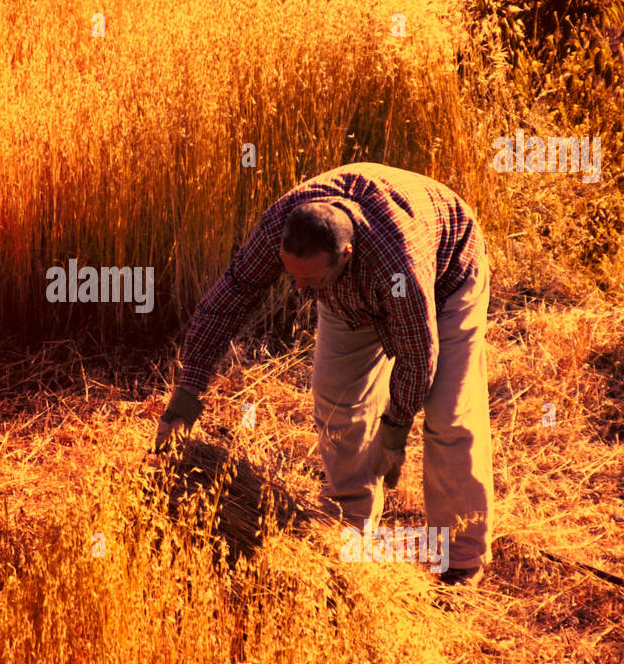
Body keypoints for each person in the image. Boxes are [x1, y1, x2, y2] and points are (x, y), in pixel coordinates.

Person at [154, 162, 493, 586]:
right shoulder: (281, 226)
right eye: (292, 277)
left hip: (445, 277)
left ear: (345, 254)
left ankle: (461, 559)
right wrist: (187, 394)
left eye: (309, 281)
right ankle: (350, 529)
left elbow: (417, 351)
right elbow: (231, 298)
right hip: (350, 293)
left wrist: (394, 432)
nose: (298, 290)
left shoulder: (397, 263)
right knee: (337, 404)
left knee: (448, 417)